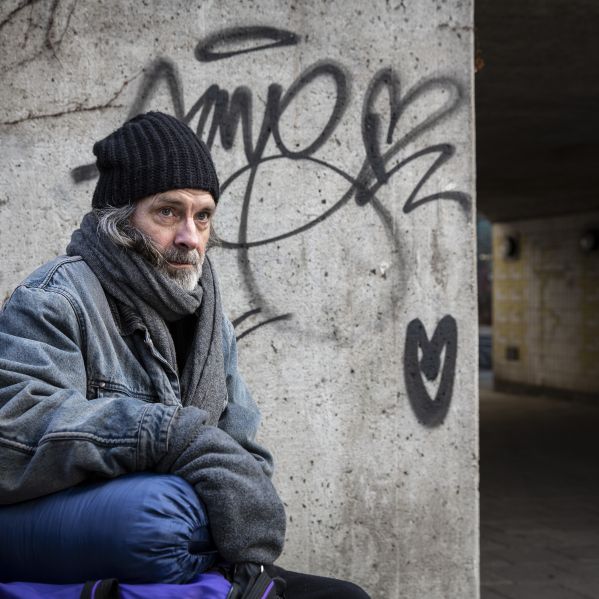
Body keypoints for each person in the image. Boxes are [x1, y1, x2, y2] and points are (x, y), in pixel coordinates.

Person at [0, 112, 370, 599]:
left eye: (203, 216)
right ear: (119, 218)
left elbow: (240, 449)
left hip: (187, 551)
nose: (190, 238)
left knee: (344, 597)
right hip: (89, 549)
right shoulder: (57, 296)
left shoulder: (208, 315)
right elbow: (16, 429)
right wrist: (164, 434)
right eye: (168, 212)